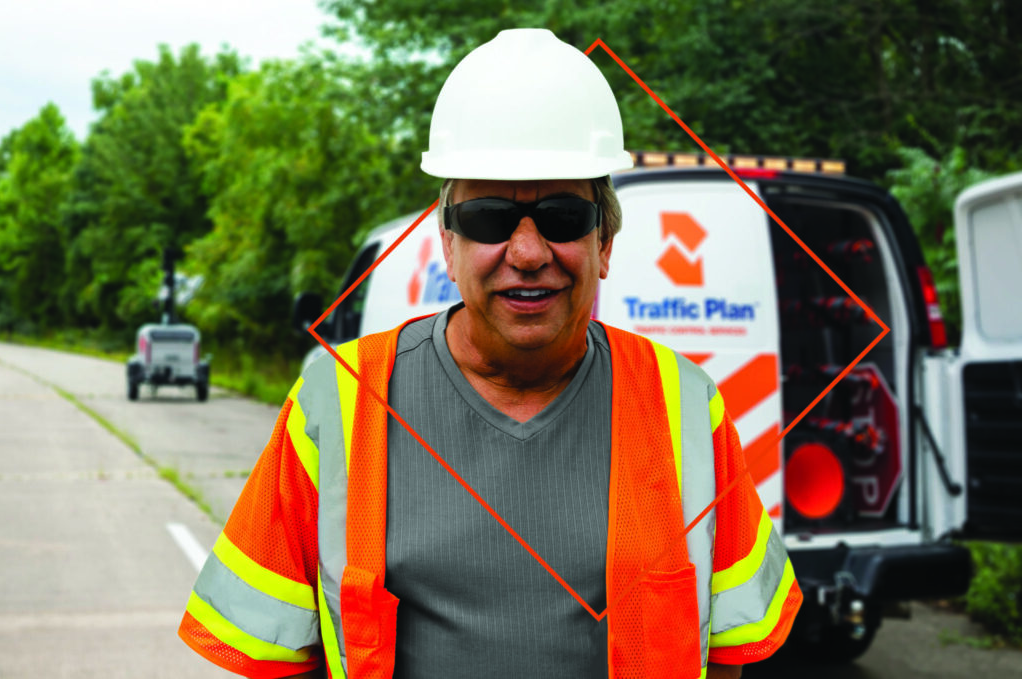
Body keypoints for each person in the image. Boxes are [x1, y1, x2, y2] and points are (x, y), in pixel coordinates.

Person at [178, 28, 801, 679]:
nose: (528, 253)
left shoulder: (687, 407)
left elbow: (728, 655)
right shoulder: (337, 399)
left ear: (604, 245)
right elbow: (275, 654)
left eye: (562, 216)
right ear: (447, 244)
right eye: (488, 217)